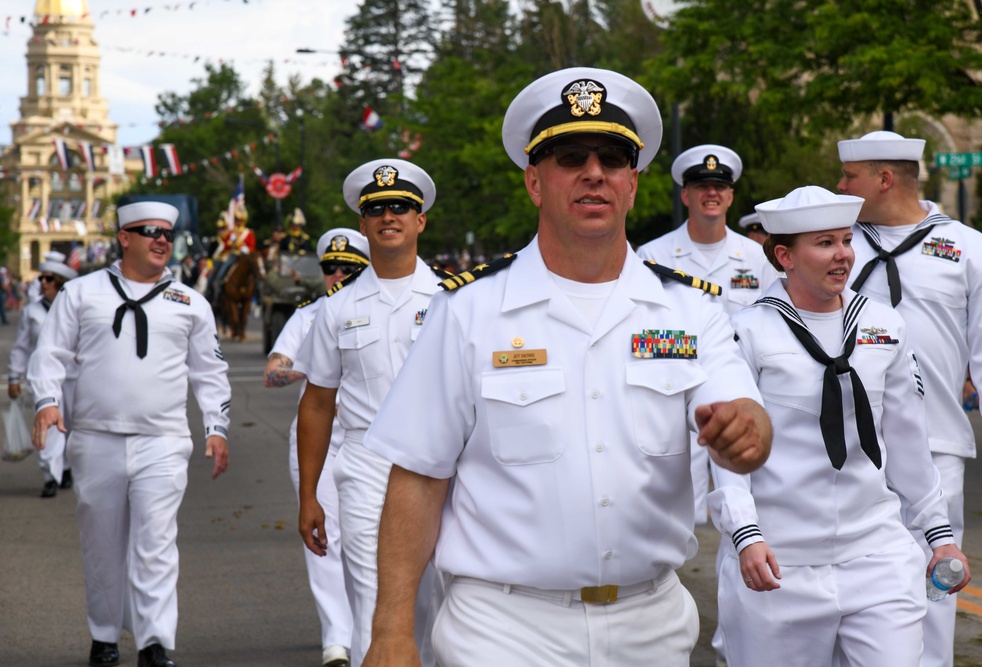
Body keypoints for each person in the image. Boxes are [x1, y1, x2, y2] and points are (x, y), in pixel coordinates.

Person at [359, 66, 772, 667]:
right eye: (570, 156)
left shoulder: (689, 309)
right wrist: (392, 630)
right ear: (534, 181)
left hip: (650, 624)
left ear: (633, 183)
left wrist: (746, 434)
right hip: (502, 628)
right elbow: (419, 477)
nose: (593, 172)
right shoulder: (469, 309)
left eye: (613, 157)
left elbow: (747, 421)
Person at [710, 185, 970, 667]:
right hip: (779, 562)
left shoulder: (883, 325)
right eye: (825, 243)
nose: (843, 255)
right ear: (785, 255)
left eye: (846, 240)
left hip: (876, 554)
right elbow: (730, 454)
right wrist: (745, 534)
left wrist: (939, 534)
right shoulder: (746, 331)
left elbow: (908, 441)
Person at [29, 201, 231, 667]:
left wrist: (216, 428)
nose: (161, 240)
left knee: (156, 542)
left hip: (163, 441)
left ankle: (153, 642)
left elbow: (210, 372)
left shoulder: (190, 301)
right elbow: (49, 354)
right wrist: (46, 402)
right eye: (148, 232)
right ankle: (103, 636)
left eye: (166, 233)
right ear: (124, 238)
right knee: (101, 543)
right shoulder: (80, 293)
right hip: (96, 439)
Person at [837, 130, 982, 667]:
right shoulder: (835, 242)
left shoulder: (972, 250)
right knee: (841, 594)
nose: (840, 186)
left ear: (884, 180)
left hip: (934, 447)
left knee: (934, 592)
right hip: (841, 449)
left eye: (849, 178)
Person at [296, 159, 450, 667]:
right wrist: (309, 495)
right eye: (377, 209)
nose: (389, 216)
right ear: (363, 226)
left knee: (443, 600)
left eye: (401, 207)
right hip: (366, 460)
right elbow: (318, 403)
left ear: (420, 219)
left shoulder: (456, 296)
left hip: (440, 460)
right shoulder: (337, 307)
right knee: (376, 603)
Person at [638, 145, 779, 526]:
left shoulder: (756, 257)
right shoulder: (652, 255)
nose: (711, 193)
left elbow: (772, 324)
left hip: (742, 388)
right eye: (701, 186)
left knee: (749, 504)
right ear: (686, 195)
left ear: (731, 195)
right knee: (678, 509)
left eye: (720, 186)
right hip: (677, 386)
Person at [263, 227, 370, 667]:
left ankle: (373, 632)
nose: (338, 274)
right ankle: (337, 638)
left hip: (373, 439)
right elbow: (274, 368)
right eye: (330, 268)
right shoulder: (309, 315)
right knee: (326, 538)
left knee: (374, 541)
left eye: (349, 268)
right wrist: (299, 369)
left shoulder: (386, 308)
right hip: (320, 439)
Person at [8, 251, 78, 497]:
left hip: (75, 377)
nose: (43, 284)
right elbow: (21, 346)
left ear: (59, 282)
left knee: (71, 426)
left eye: (48, 279)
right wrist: (14, 376)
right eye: (41, 279)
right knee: (48, 426)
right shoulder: (32, 311)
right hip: (44, 379)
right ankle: (50, 475)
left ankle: (66, 469)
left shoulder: (76, 308)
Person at [210, 203, 256, 304]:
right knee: (221, 274)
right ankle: (217, 297)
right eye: (237, 220)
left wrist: (245, 248)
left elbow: (252, 247)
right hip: (233, 255)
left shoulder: (249, 233)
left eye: (240, 220)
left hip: (244, 257)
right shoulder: (231, 232)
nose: (238, 222)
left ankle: (258, 295)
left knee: (257, 274)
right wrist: (231, 241)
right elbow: (225, 246)